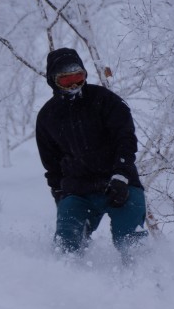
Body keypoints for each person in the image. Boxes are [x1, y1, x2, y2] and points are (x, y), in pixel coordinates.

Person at [35, 47, 148, 265]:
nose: (74, 85)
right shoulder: (47, 117)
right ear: (53, 81)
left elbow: (126, 141)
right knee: (66, 245)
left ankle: (150, 286)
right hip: (78, 191)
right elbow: (51, 164)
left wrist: (121, 176)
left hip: (120, 185)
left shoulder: (106, 101)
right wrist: (59, 194)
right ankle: (70, 288)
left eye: (79, 77)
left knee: (131, 241)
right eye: (66, 81)